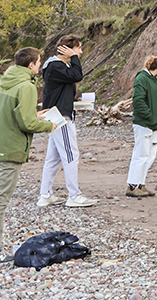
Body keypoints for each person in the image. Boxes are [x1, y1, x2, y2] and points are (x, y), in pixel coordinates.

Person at [0, 47, 55, 264]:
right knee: (0, 202)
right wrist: (49, 125)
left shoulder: (5, 81)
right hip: (11, 149)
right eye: (39, 61)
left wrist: (34, 115)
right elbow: (27, 123)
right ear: (31, 65)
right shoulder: (26, 87)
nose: (40, 65)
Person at [37, 34, 97, 209]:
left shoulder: (58, 66)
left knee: (53, 158)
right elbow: (77, 75)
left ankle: (45, 195)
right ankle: (74, 195)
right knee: (71, 155)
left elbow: (71, 79)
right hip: (60, 116)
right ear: (68, 50)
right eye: (78, 48)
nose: (81, 51)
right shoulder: (55, 66)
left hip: (57, 114)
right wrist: (74, 57)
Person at [126, 55, 157, 197]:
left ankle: (141, 184)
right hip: (144, 124)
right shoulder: (142, 79)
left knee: (150, 155)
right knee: (141, 154)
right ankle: (132, 186)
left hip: (154, 125)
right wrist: (150, 117)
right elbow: (138, 101)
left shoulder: (156, 81)